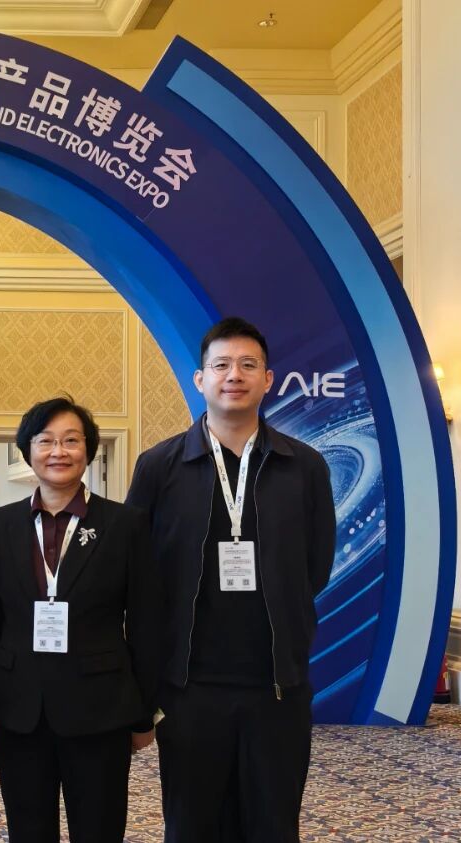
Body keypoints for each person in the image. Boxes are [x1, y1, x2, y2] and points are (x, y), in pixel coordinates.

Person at [125, 317, 335, 842]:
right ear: (200, 379)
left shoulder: (304, 467)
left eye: (247, 365)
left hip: (276, 687)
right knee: (191, 825)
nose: (233, 376)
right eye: (221, 365)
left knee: (273, 825)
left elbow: (316, 565)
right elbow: (138, 573)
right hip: (189, 687)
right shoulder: (159, 467)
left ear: (268, 379)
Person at [0, 396, 160, 842]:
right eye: (46, 441)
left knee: (99, 830)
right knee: (28, 831)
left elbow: (146, 623)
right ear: (27, 451)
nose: (58, 451)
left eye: (71, 440)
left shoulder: (125, 524)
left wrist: (143, 714)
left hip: (101, 710)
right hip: (18, 711)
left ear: (88, 450)